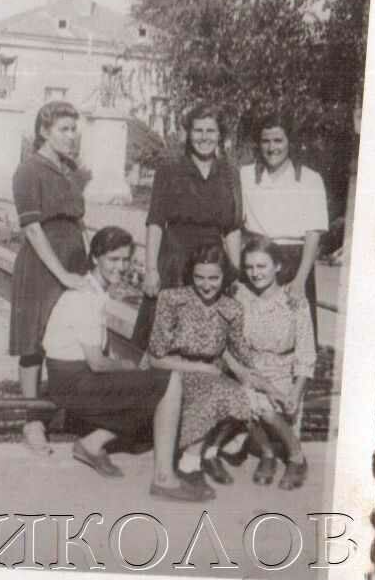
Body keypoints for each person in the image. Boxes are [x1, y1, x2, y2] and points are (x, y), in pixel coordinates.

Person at [43, 226, 208, 501]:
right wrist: (130, 368)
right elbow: (97, 363)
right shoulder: (83, 297)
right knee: (168, 381)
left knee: (153, 381)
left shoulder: (93, 291)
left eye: (125, 260)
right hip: (73, 383)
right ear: (95, 258)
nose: (120, 267)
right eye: (113, 259)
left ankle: (92, 444)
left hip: (71, 378)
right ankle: (164, 478)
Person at [147, 243, 264, 498]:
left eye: (214, 278)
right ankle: (190, 464)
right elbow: (156, 357)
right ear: (191, 274)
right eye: (199, 277)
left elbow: (240, 351)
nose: (207, 285)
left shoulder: (232, 308)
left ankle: (201, 453)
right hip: (173, 371)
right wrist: (198, 367)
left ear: (225, 277)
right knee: (214, 393)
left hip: (210, 373)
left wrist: (266, 377)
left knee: (242, 396)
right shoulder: (172, 299)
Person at [10, 101, 89, 453]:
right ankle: (33, 422)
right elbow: (32, 230)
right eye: (64, 129)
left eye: (74, 129)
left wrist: (87, 270)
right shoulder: (28, 171)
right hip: (42, 268)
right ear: (44, 131)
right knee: (34, 343)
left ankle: (71, 414)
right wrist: (62, 274)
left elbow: (78, 222)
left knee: (73, 338)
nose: (71, 136)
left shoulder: (69, 172)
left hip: (74, 263)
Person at [134, 102, 242, 351]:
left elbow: (233, 226)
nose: (204, 138)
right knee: (165, 335)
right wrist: (151, 269)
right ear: (188, 133)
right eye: (198, 131)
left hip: (213, 262)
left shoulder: (229, 173)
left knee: (207, 336)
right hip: (175, 258)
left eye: (210, 131)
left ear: (220, 135)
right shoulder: (170, 168)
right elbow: (156, 221)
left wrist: (235, 272)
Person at [228, 236, 313, 490]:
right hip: (250, 371)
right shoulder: (240, 297)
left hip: (283, 371)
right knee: (244, 401)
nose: (255, 273)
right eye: (250, 267)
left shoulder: (294, 300)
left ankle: (296, 456)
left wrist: (296, 392)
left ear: (277, 266)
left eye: (262, 266)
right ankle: (267, 454)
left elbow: (306, 352)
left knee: (267, 408)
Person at [239, 112, 328, 331]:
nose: (272, 148)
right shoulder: (245, 175)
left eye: (278, 140)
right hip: (256, 260)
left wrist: (300, 279)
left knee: (294, 330)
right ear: (258, 144)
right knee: (253, 330)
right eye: (266, 141)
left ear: (290, 142)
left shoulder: (310, 179)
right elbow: (234, 224)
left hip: (294, 262)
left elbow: (313, 233)